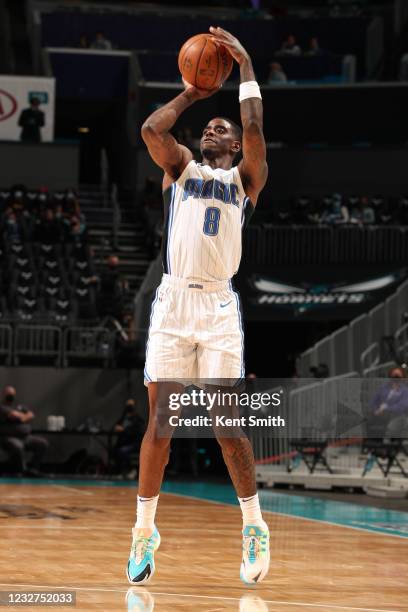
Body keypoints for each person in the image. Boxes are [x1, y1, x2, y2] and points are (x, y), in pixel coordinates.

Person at [127, 26, 269, 587]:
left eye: (222, 128)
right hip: (172, 302)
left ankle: (254, 525)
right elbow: (149, 129)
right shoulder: (179, 169)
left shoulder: (245, 180)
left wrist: (247, 66)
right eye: (208, 126)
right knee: (159, 427)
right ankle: (144, 531)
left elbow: (255, 125)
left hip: (217, 307)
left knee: (226, 427)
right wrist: (192, 90)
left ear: (234, 147)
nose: (214, 128)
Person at [0, 386, 48, 476]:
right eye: (9, 394)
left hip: (26, 437)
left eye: (12, 394)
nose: (10, 396)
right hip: (9, 438)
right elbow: (13, 415)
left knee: (42, 443)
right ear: (3, 394)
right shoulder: (2, 407)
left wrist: (22, 417)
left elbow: (31, 415)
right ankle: (21, 470)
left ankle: (33, 469)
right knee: (17, 446)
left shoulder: (19, 406)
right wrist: (23, 417)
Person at [113, 399, 145, 478]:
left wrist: (124, 430)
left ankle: (132, 469)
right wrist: (116, 427)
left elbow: (137, 431)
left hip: (134, 443)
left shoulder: (138, 419)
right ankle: (119, 472)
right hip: (123, 442)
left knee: (123, 451)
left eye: (131, 406)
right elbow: (116, 426)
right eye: (128, 405)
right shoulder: (123, 417)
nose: (129, 407)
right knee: (114, 450)